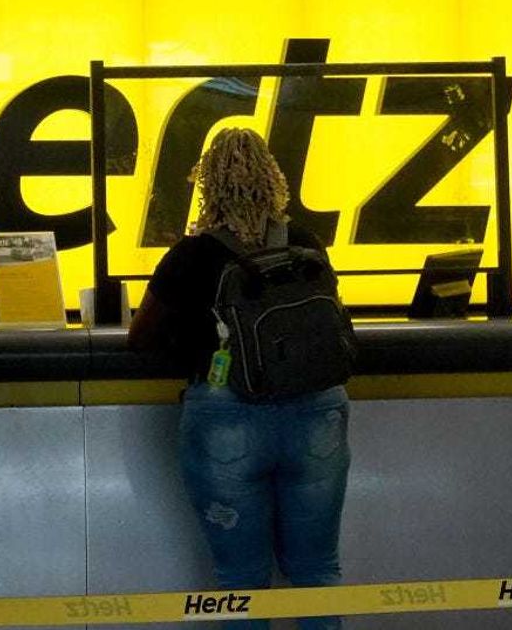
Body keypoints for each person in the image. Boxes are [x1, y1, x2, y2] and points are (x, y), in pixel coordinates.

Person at [128, 128, 350, 630]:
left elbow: (140, 338)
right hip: (317, 413)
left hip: (226, 416)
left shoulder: (191, 255)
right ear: (273, 179)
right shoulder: (305, 243)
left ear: (207, 185)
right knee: (317, 571)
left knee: (241, 581)